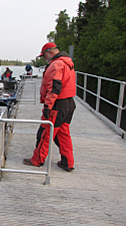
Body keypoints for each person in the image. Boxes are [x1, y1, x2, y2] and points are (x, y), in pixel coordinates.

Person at [23, 42, 76, 172]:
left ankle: (37, 160)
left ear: (50, 53)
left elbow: (55, 87)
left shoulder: (56, 64)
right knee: (63, 134)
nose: (44, 58)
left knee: (46, 133)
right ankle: (67, 162)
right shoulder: (67, 63)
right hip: (69, 103)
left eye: (44, 56)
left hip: (57, 104)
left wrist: (48, 107)